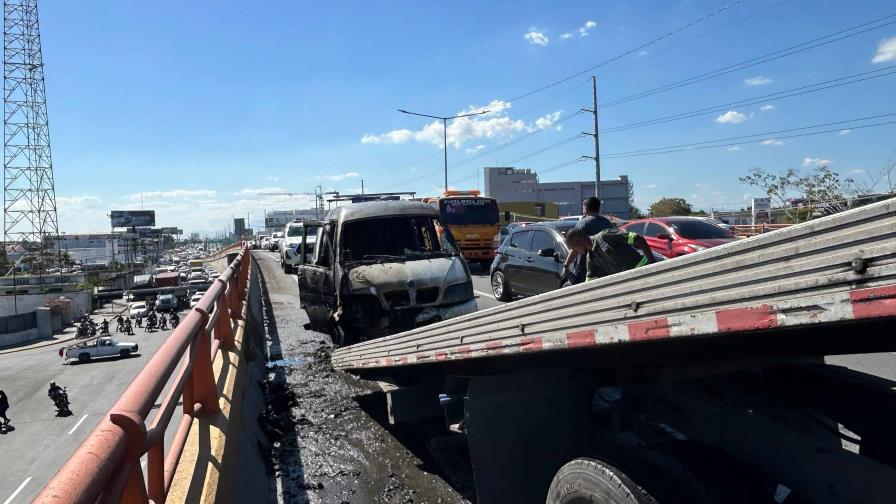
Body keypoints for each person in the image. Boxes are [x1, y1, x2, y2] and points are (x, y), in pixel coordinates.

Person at [565, 227, 656, 281]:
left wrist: (652, 265)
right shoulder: (591, 257)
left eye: (574, 248)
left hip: (645, 272)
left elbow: (638, 239)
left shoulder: (605, 236)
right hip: (631, 281)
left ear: (578, 240)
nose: (576, 252)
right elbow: (590, 281)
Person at [562, 197, 614, 285]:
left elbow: (575, 248)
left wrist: (566, 265)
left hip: (585, 268)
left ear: (585, 207)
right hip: (606, 267)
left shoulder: (582, 223)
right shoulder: (607, 223)